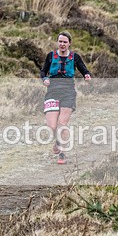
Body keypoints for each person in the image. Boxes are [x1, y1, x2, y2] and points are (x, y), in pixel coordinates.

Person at [40, 31, 91, 165]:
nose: (62, 44)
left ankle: (62, 153)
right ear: (57, 42)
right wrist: (44, 79)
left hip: (68, 92)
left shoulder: (75, 57)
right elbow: (43, 71)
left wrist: (87, 76)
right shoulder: (51, 56)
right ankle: (58, 141)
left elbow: (84, 70)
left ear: (69, 43)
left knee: (62, 124)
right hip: (52, 92)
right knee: (52, 126)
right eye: (60, 41)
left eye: (65, 42)